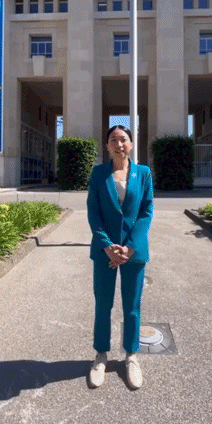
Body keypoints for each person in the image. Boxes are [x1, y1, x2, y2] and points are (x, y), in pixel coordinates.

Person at [86, 126, 154, 390]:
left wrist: (130, 248)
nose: (119, 144)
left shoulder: (143, 173)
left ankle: (131, 356)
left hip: (134, 252)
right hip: (104, 251)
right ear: (107, 146)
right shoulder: (98, 173)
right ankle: (101, 355)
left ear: (132, 144)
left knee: (132, 306)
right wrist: (107, 246)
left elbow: (146, 211)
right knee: (103, 304)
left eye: (123, 139)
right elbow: (93, 212)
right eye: (113, 140)